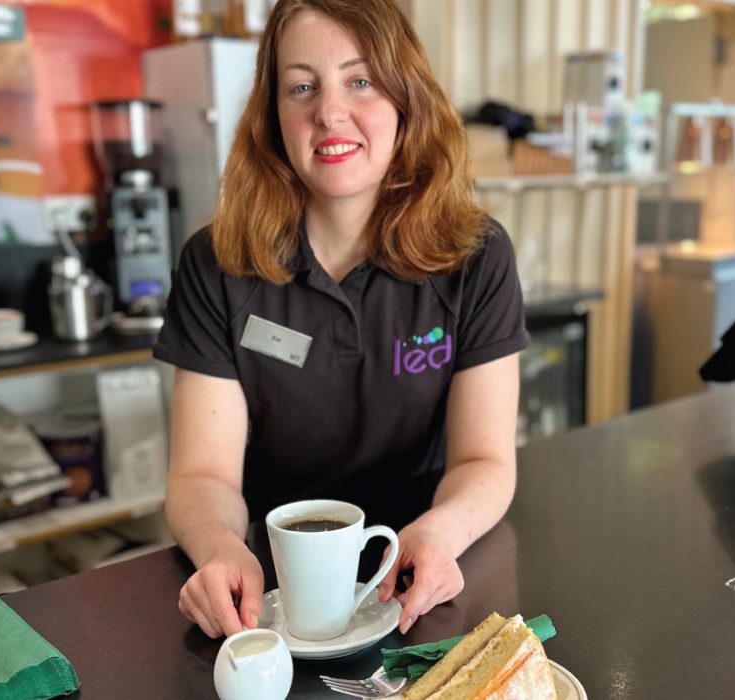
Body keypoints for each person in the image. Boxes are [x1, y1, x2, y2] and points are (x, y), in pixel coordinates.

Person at [153, 0, 529, 640]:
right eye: (302, 86)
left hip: (428, 577)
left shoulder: (475, 254)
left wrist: (439, 535)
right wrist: (220, 548)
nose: (329, 111)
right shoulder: (216, 263)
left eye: (360, 80)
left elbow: (484, 459)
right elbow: (202, 474)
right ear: (273, 118)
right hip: (275, 590)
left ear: (404, 99)